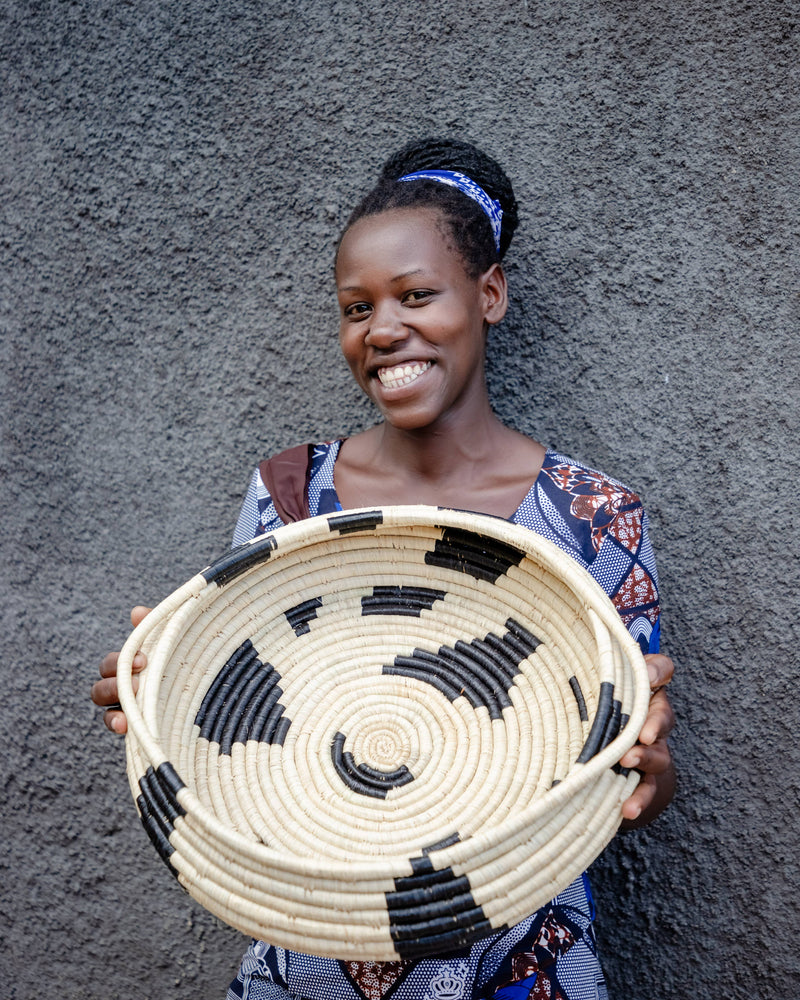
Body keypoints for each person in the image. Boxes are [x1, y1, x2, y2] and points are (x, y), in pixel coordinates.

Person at [92, 137, 675, 1000]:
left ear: (489, 294)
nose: (384, 329)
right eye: (356, 308)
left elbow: (629, 777)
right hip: (309, 965)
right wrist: (160, 700)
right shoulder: (291, 494)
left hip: (519, 966)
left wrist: (646, 778)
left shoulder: (595, 514)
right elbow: (244, 742)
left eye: (416, 295)